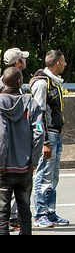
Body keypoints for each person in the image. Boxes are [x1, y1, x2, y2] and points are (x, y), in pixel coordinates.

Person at [0, 67, 44, 236]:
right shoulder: (31, 103)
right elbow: (39, 132)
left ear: (3, 81)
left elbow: (2, 134)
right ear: (20, 82)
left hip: (4, 168)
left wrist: (1, 161)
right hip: (25, 167)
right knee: (24, 209)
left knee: (2, 213)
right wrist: (33, 160)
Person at [30, 50, 69, 228]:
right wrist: (43, 141)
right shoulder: (41, 84)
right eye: (64, 61)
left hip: (56, 134)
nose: (66, 64)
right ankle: (39, 214)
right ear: (58, 63)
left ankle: (50, 212)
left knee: (53, 176)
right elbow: (37, 115)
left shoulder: (53, 82)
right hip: (48, 136)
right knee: (43, 175)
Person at [1, 47, 29, 230]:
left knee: (4, 209)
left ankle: (11, 220)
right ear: (18, 64)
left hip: (7, 162)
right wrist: (32, 160)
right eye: (23, 59)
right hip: (21, 162)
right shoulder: (26, 98)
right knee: (23, 208)